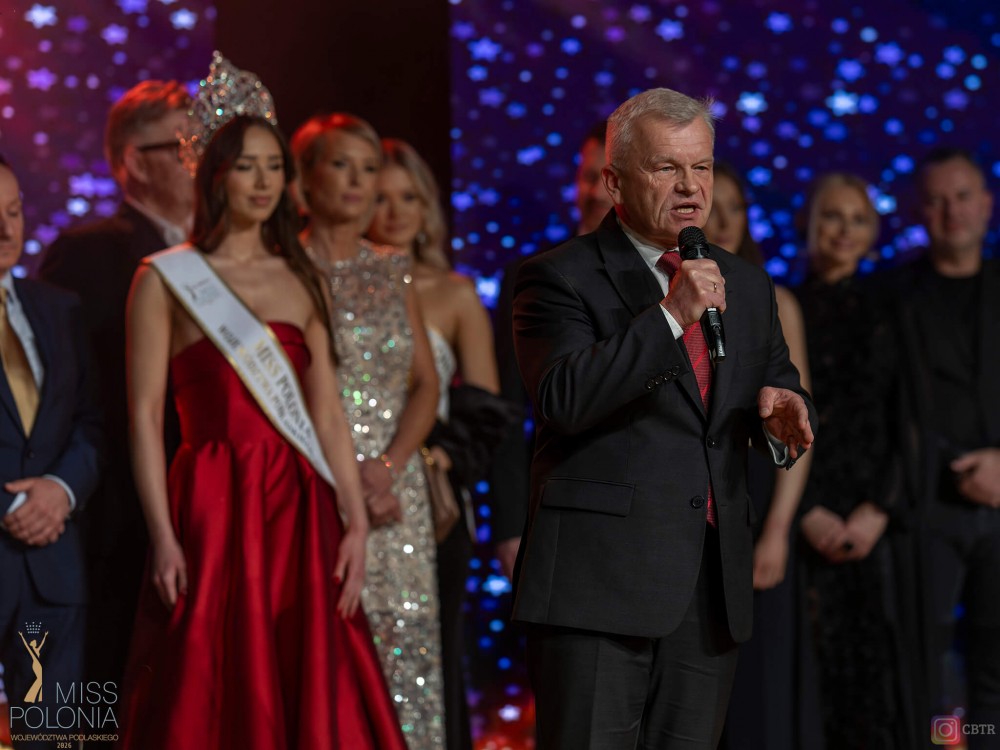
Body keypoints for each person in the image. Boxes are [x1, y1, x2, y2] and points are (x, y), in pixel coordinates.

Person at [511, 87, 816, 748]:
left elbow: (776, 384)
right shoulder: (556, 278)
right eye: (666, 167)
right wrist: (672, 316)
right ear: (614, 181)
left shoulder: (746, 284)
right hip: (597, 590)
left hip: (708, 590)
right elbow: (564, 398)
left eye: (701, 166)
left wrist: (783, 416)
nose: (689, 186)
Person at [115, 57, 405, 750]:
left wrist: (355, 523)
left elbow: (326, 413)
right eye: (247, 166)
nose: (264, 181)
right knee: (211, 673)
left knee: (307, 662)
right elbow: (144, 418)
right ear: (216, 175)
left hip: (299, 499)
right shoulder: (165, 279)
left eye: (275, 166)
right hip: (213, 497)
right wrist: (163, 535)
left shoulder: (302, 278)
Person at [292, 114, 444, 750]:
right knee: (321, 656)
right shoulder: (282, 267)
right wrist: (345, 480)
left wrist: (386, 467)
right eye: (341, 165)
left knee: (404, 661)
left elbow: (426, 384)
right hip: (310, 486)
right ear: (305, 177)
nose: (358, 181)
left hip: (394, 492)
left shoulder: (390, 268)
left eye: (368, 167)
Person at [37, 80, 192, 696]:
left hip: (211, 496)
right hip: (118, 510)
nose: (200, 161)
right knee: (108, 686)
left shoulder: (236, 254)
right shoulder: (88, 253)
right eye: (182, 147)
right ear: (135, 162)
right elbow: (60, 388)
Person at [368, 137, 518, 750]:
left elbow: (488, 411)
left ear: (427, 206)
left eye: (409, 198)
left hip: (433, 500)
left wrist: (431, 461)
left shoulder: (454, 293)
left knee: (432, 656)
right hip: (352, 488)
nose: (395, 212)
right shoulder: (331, 284)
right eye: (381, 198)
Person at [791, 172, 917, 748]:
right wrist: (806, 512)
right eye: (832, 216)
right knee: (810, 683)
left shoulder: (892, 308)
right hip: (803, 516)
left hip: (875, 524)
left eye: (858, 219)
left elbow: (907, 419)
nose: (844, 230)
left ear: (873, 232)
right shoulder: (780, 307)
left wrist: (879, 509)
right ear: (808, 224)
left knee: (877, 684)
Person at [886, 148, 1000, 748]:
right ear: (919, 212)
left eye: (962, 197)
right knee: (924, 673)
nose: (951, 212)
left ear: (986, 205)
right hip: (923, 510)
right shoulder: (890, 294)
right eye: (936, 200)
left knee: (995, 673)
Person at [706, 162, 811, 750]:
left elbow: (801, 431)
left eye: (736, 207)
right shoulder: (674, 298)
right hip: (699, 503)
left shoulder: (773, 298)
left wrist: (777, 531)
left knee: (758, 687)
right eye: (711, 205)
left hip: (756, 502)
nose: (723, 219)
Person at [0, 155, 103, 750]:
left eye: (14, 212)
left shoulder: (58, 308)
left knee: (54, 739)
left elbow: (90, 420)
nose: (6, 230)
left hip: (54, 572)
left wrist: (60, 491)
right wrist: (11, 505)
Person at [492, 120, 612, 579]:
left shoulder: (663, 275)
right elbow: (507, 406)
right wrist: (509, 525)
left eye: (606, 180)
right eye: (587, 177)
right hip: (551, 504)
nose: (595, 193)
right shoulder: (531, 274)